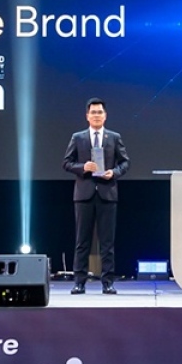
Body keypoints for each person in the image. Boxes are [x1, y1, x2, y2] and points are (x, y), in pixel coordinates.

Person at [63, 97, 130, 294]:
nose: (96, 115)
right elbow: (66, 163)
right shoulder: (78, 137)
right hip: (84, 194)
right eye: (93, 112)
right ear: (87, 116)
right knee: (82, 241)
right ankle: (79, 282)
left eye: (100, 112)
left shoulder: (114, 137)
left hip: (107, 194)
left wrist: (114, 172)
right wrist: (83, 167)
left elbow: (125, 162)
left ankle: (108, 282)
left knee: (107, 243)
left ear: (105, 115)